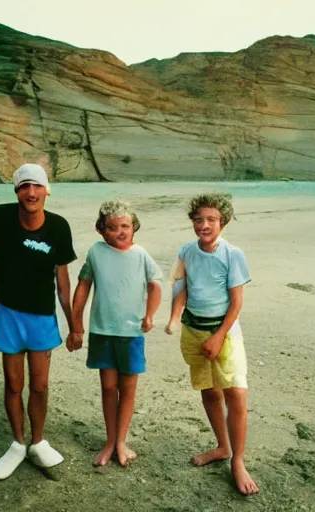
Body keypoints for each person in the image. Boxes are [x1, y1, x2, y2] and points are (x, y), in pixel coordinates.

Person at [0, 163, 76, 480]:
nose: (30, 192)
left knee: (41, 385)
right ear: (17, 190)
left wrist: (75, 325)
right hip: (8, 313)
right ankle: (18, 443)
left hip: (42, 317)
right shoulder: (0, 219)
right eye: (23, 186)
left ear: (47, 190)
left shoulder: (58, 226)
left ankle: (38, 441)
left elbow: (63, 283)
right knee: (14, 384)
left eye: (36, 186)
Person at [164, 192, 259, 495]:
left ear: (223, 222)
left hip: (225, 332)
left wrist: (219, 337)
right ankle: (222, 447)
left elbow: (236, 303)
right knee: (209, 392)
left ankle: (238, 461)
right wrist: (174, 317)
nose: (204, 225)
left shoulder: (233, 254)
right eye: (198, 219)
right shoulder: (186, 252)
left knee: (236, 395)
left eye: (211, 220)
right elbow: (181, 289)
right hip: (194, 331)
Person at [68, 200, 162, 467]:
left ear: (134, 228)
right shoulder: (96, 252)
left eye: (125, 226)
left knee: (127, 389)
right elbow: (83, 287)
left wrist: (150, 315)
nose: (120, 232)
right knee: (109, 388)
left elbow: (155, 285)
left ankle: (121, 441)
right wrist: (77, 325)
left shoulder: (141, 254)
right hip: (102, 331)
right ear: (101, 230)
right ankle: (110, 441)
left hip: (131, 333)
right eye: (112, 227)